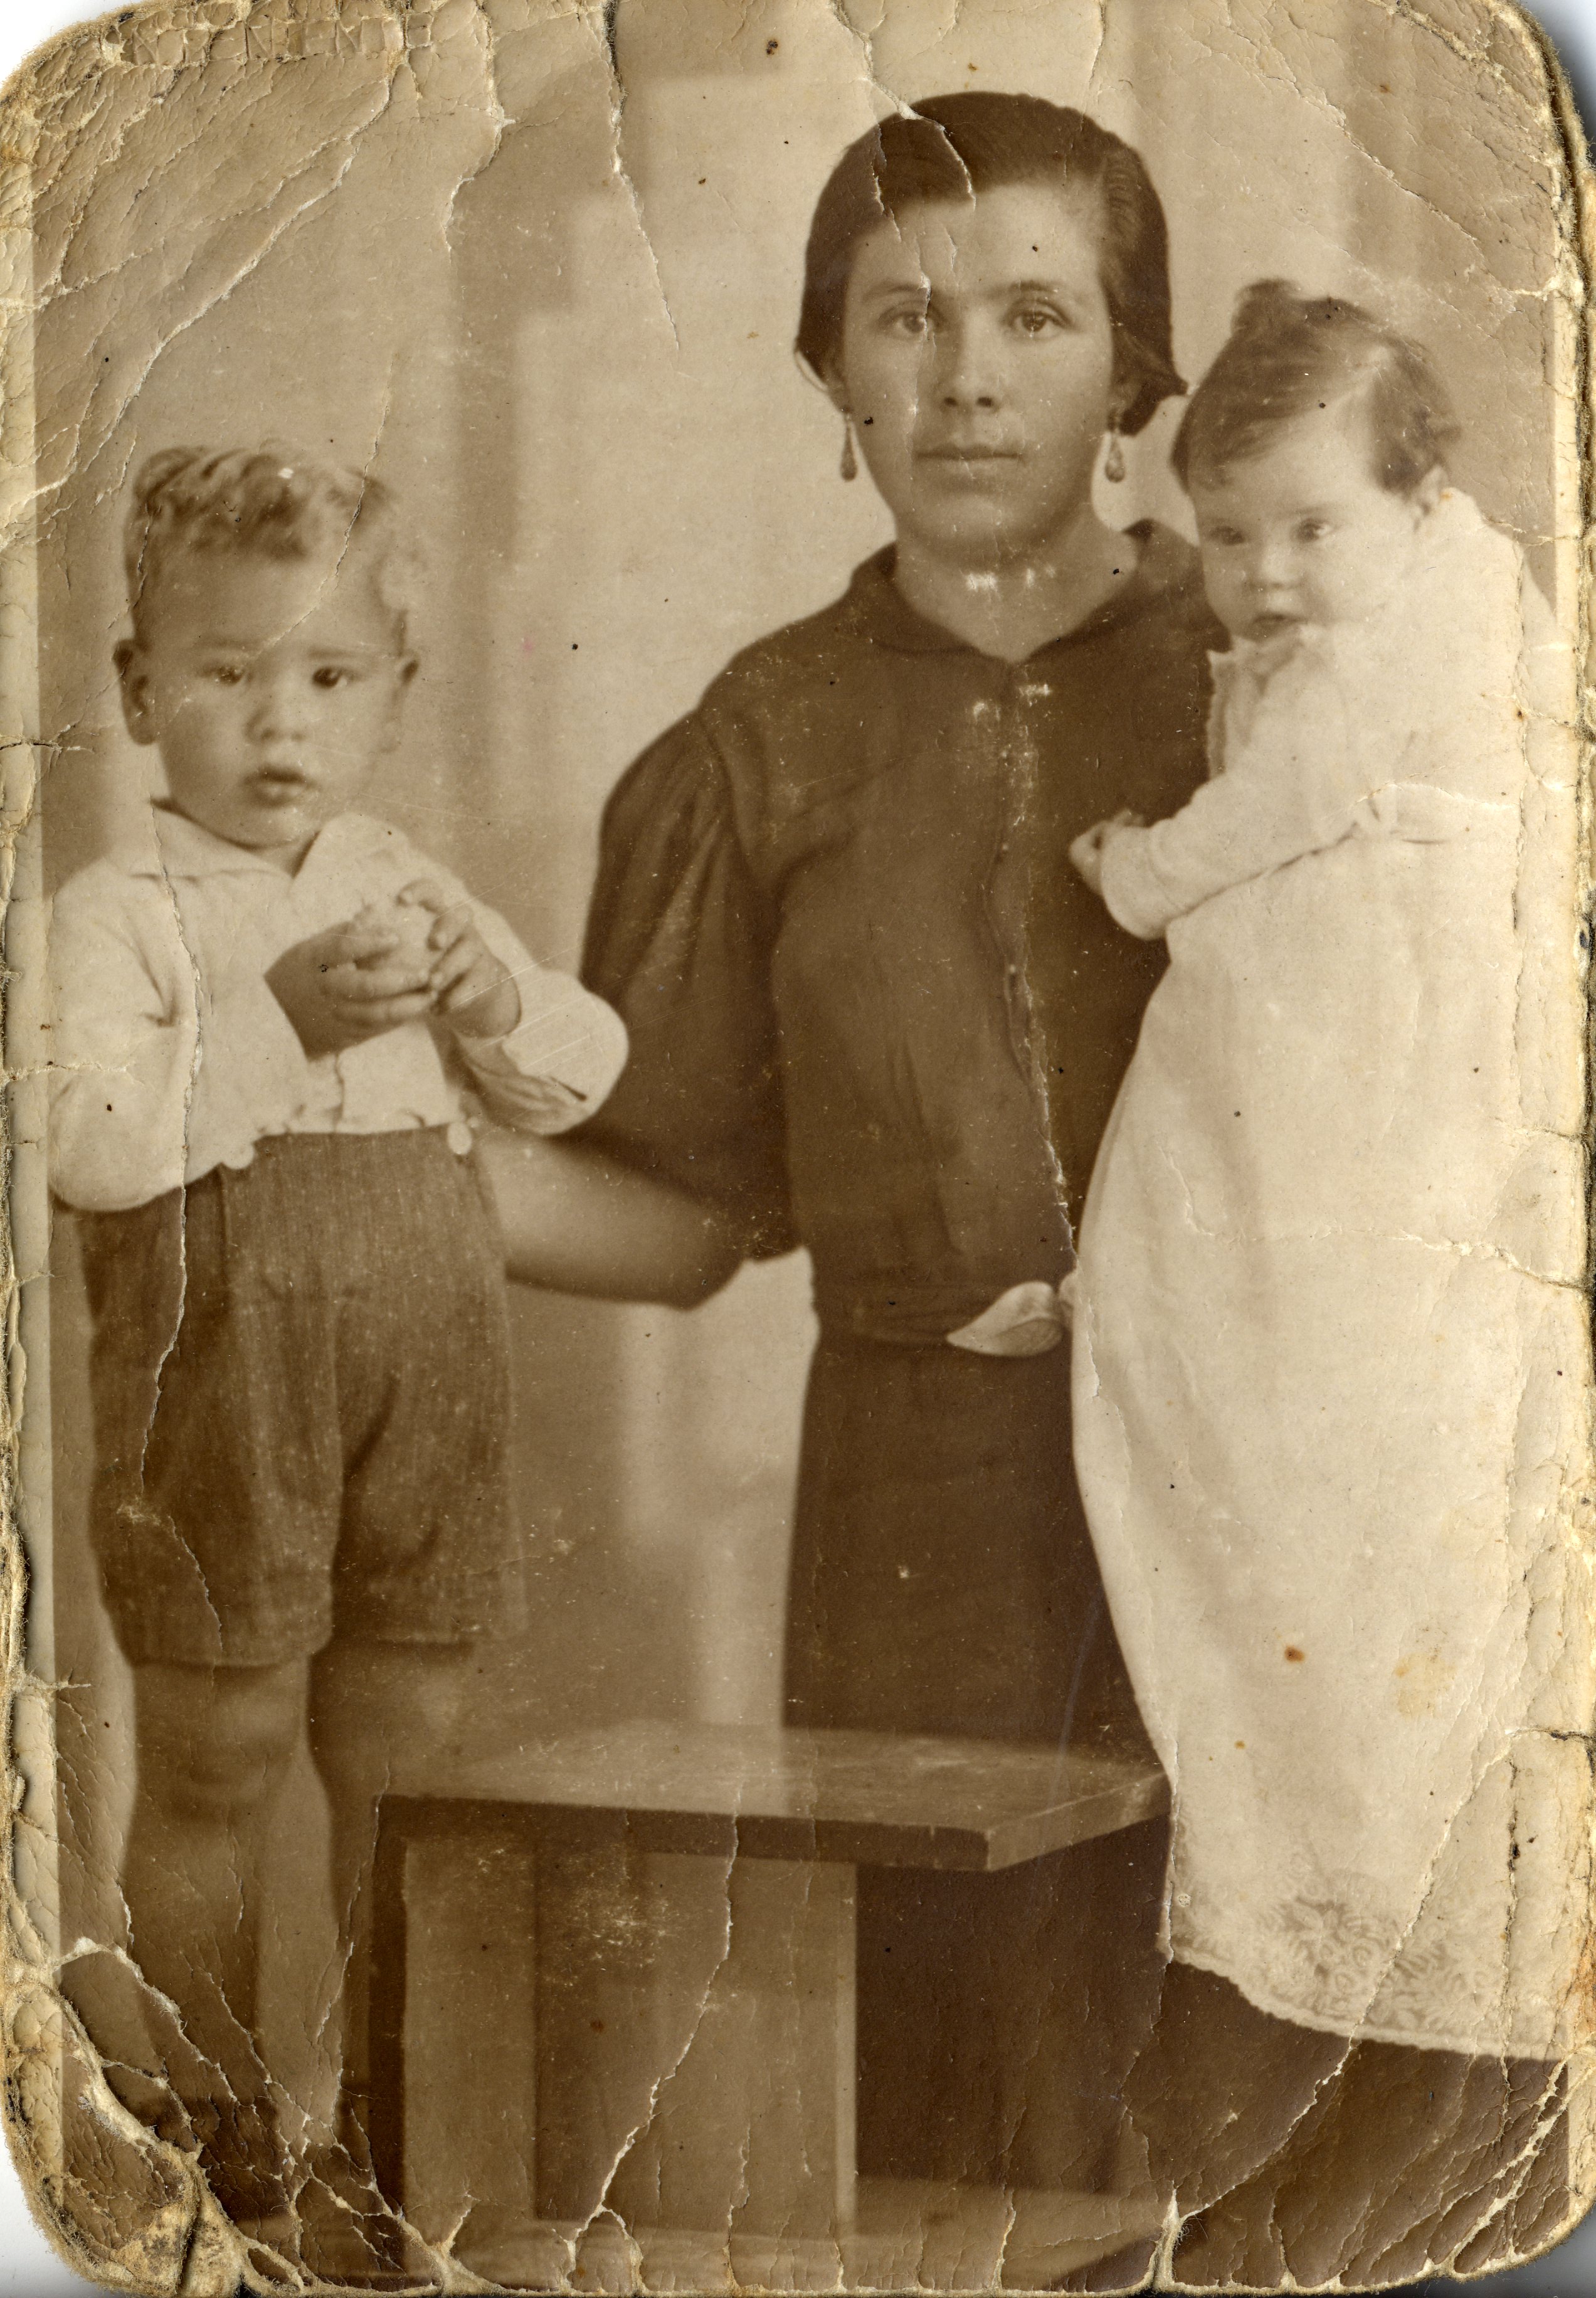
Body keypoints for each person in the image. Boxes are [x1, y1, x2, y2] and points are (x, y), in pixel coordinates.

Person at [522, 92, 1223, 2198]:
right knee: (933, 2091)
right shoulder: (755, 745)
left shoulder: (1274, 679)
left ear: (1135, 368)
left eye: (1034, 314)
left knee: (1235, 2069)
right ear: (830, 371)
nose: (965, 376)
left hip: (1256, 1473)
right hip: (919, 1511)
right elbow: (677, 1219)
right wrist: (340, 1151)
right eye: (903, 318)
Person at [48, 448, 628, 2275]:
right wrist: (282, 1015)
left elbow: (574, 1076)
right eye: (226, 673)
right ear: (142, 688)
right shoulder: (116, 910)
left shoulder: (405, 881)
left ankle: (399, 2141)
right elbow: (89, 1147)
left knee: (412, 1759)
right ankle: (213, 2148)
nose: (278, 721)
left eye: (326, 676)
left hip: (423, 1375)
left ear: (394, 692)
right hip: (222, 1380)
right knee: (219, 1752)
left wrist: (492, 1002)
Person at [1068, 285, 1589, 2283]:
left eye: (1308, 527)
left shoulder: (1386, 662)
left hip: (1388, 1118)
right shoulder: (1433, 609)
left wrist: (1130, 868)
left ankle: (1402, 2080)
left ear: (1417, 497)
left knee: (1374, 1575)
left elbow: (1266, 824)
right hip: (1355, 1112)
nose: (1267, 574)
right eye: (1230, 535)